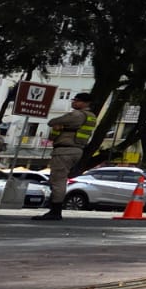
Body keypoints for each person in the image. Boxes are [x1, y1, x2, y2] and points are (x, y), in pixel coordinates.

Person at [36, 91, 96, 221]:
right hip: (77, 149)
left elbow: (52, 121)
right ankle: (54, 209)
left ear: (85, 103)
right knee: (59, 179)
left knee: (58, 180)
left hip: (65, 149)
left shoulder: (77, 115)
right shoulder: (91, 116)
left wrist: (58, 125)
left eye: (77, 100)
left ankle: (55, 211)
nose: (73, 102)